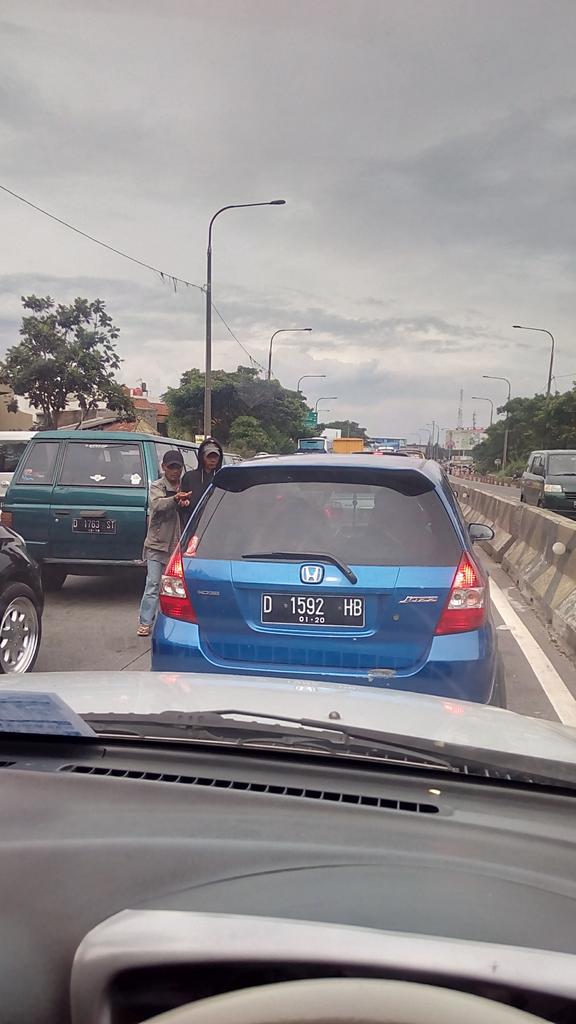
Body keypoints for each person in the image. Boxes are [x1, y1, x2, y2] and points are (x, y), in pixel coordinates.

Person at [137, 450, 190, 637]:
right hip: (156, 545)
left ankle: (174, 623)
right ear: (164, 468)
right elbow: (157, 505)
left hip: (178, 546)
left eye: (178, 467)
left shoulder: (186, 485)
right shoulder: (157, 486)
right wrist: (175, 499)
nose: (175, 471)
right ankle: (145, 622)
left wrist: (185, 502)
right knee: (152, 584)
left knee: (175, 588)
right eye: (171, 467)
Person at [178, 437, 224, 530]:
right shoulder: (189, 477)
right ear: (202, 457)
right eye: (209, 456)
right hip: (193, 527)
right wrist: (184, 503)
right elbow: (182, 505)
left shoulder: (223, 478)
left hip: (217, 526)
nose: (212, 460)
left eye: (215, 456)